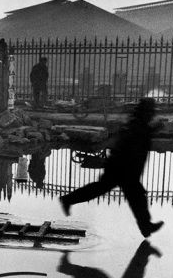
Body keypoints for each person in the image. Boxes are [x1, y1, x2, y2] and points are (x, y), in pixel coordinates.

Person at [59, 98, 164, 237]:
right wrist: (154, 129)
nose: (152, 114)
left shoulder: (137, 123)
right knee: (134, 197)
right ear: (147, 112)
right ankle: (146, 226)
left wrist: (152, 129)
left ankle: (146, 226)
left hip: (122, 168)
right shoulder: (137, 125)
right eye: (151, 111)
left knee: (130, 196)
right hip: (122, 169)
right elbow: (138, 138)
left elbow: (140, 135)